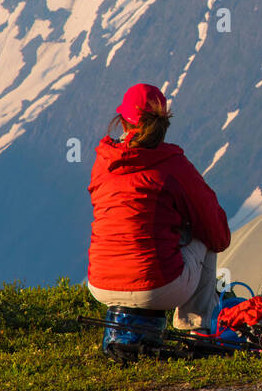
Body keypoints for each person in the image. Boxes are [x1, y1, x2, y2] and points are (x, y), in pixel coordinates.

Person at [86, 83, 230, 346]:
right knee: (206, 234)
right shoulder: (173, 165)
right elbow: (218, 234)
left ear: (122, 122)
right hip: (157, 287)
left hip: (99, 284)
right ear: (164, 125)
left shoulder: (103, 162)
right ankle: (197, 331)